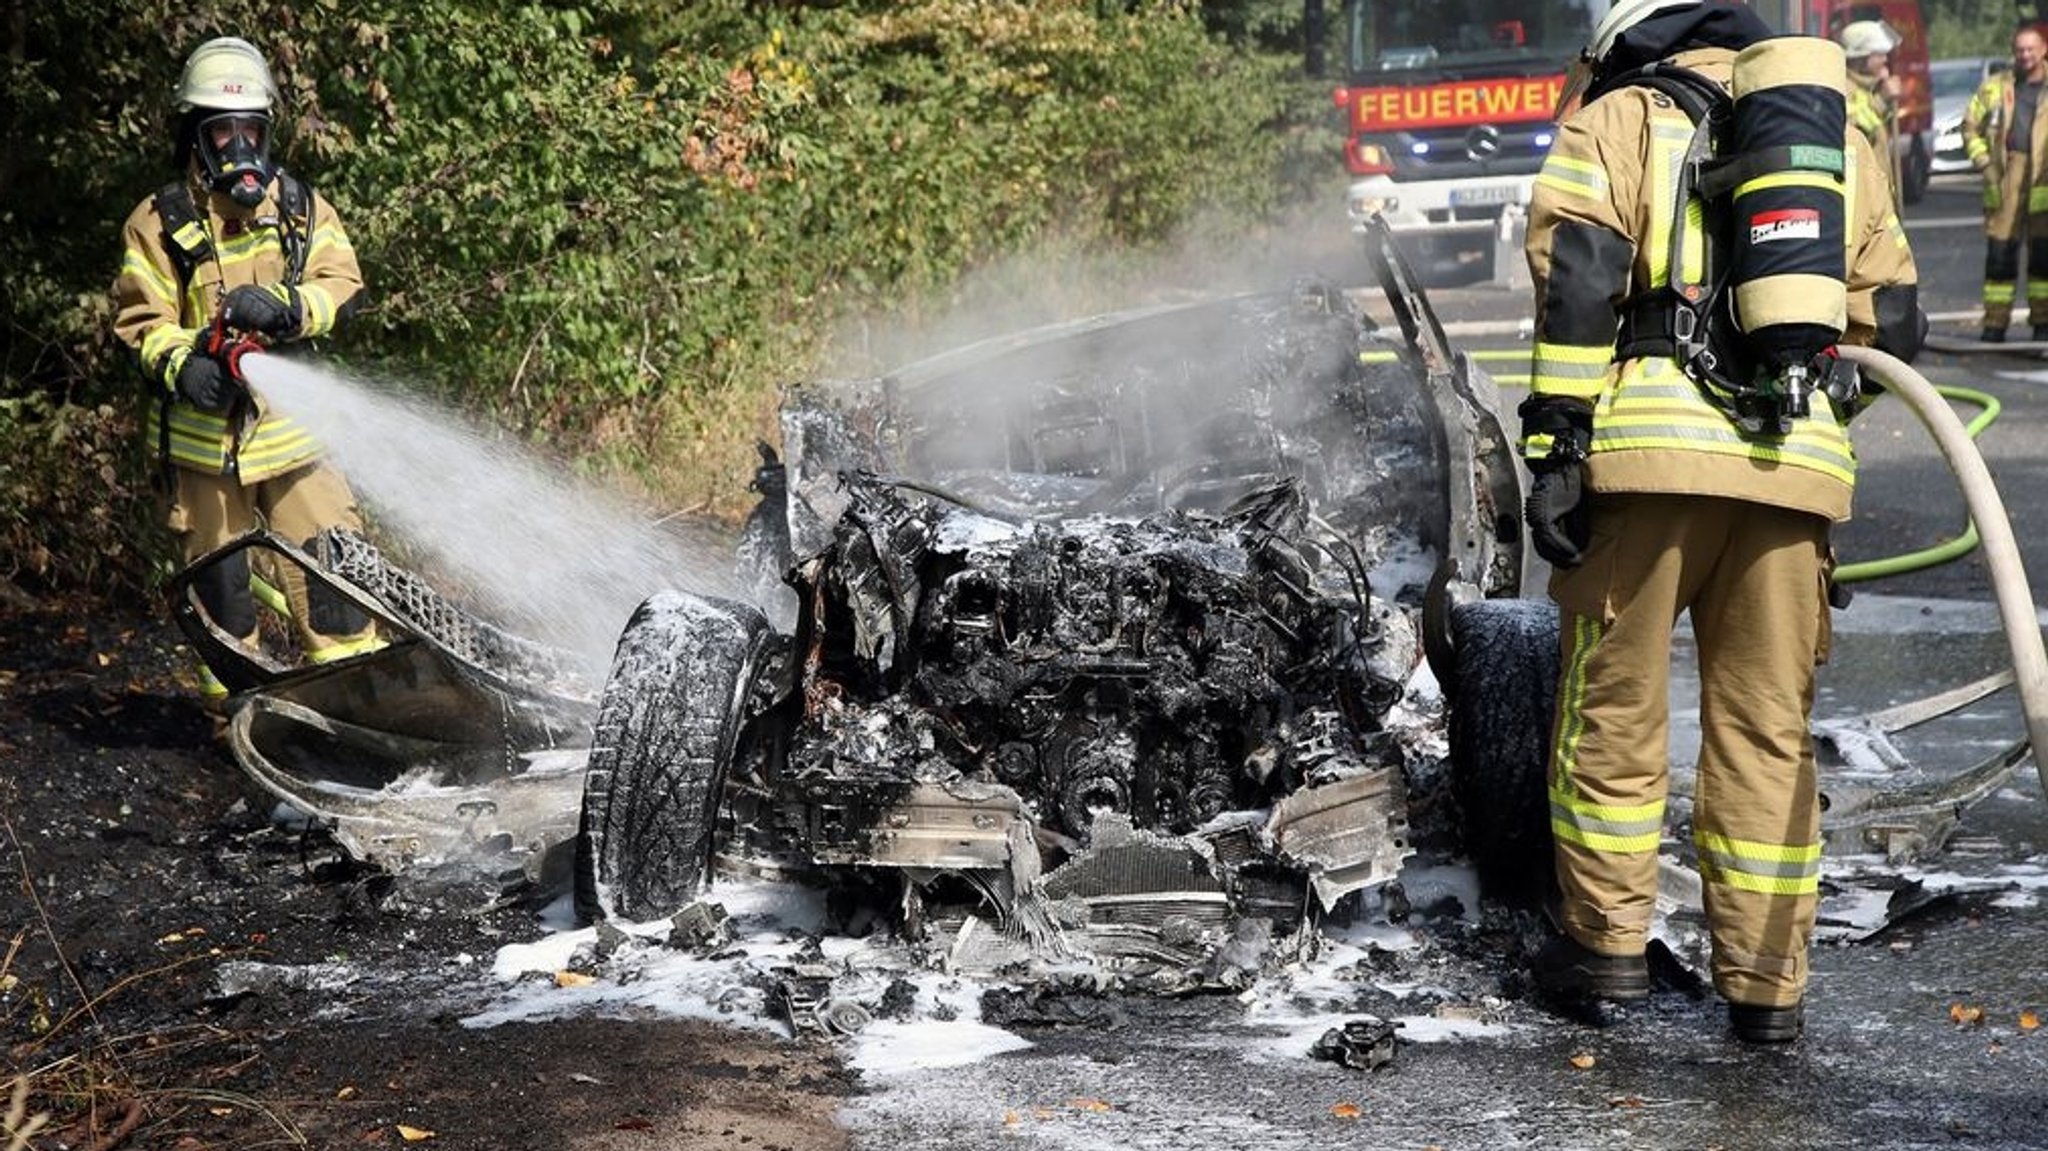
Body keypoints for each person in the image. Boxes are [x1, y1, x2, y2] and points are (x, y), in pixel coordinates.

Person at [1519, 0, 1923, 1044]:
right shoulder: (1837, 131)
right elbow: (1897, 324)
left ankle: (1604, 952)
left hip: (1644, 469)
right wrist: (1804, 415)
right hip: (1791, 477)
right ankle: (1764, 987)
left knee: (1612, 713)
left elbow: (1575, 287)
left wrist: (1552, 444)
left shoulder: (1617, 118)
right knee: (1765, 732)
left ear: (1623, 36)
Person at [112, 37, 378, 713]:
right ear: (193, 136)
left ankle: (363, 715)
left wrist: (290, 306)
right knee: (222, 596)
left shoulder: (298, 209)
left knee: (336, 584)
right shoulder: (157, 223)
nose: (238, 147)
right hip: (203, 453)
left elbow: (342, 285)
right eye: (222, 131)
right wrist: (185, 366)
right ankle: (241, 726)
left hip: (294, 440)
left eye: (250, 130)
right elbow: (141, 320)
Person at [1961, 26, 2048, 343]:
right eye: (2020, 49)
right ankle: (1995, 325)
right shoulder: (1995, 87)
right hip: (2006, 175)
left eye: (2031, 49)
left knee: (2043, 257)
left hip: (2044, 178)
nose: (2025, 55)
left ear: (2043, 50)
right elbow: (1969, 126)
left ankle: (2043, 324)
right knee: (2000, 254)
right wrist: (1984, 163)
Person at [1838, 19, 1903, 208]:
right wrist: (1882, 100)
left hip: (1878, 193)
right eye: (1879, 55)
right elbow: (1856, 132)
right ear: (1859, 58)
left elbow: (1881, 130)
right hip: (1862, 198)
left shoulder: (1867, 89)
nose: (1885, 60)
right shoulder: (1844, 89)